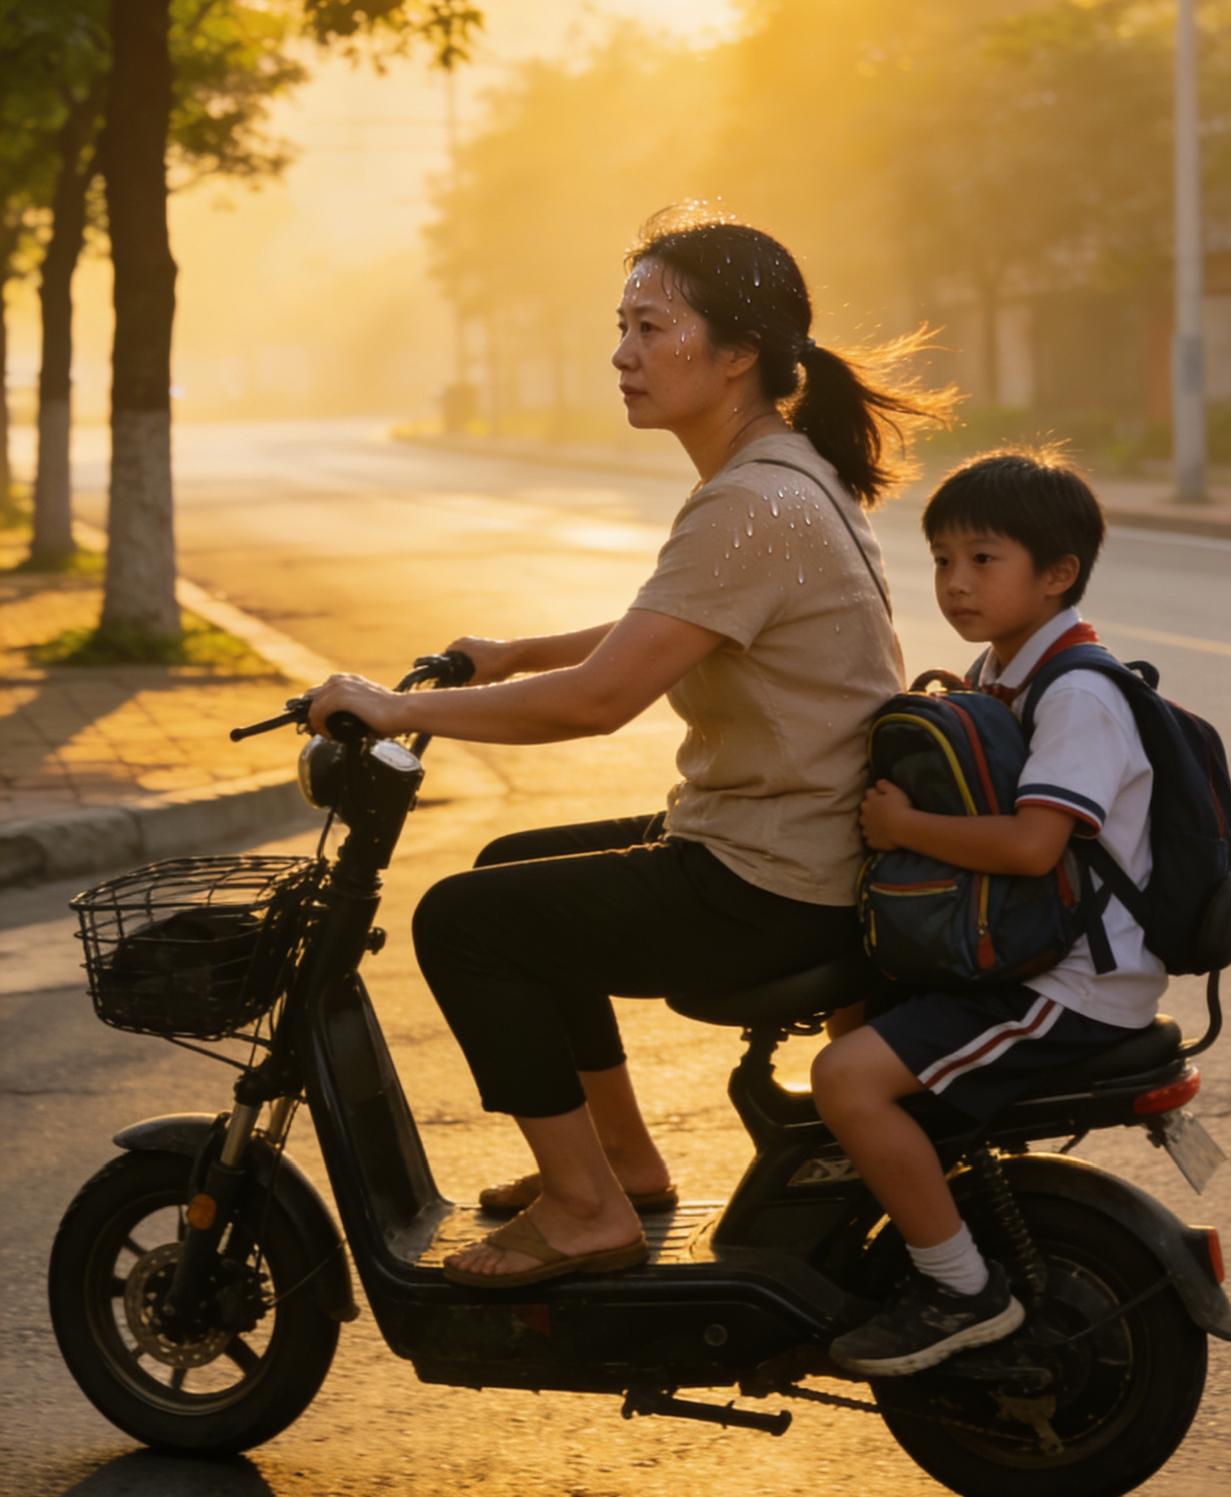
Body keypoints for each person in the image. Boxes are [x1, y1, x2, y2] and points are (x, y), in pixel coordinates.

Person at [305, 206, 947, 1288]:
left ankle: (584, 1210)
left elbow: (601, 700)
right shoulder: (777, 475)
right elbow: (679, 621)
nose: (622, 354)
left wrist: (395, 710)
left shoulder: (752, 502)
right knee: (511, 866)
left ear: (737, 354)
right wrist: (515, 654)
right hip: (794, 843)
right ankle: (622, 1163)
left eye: (651, 328)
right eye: (623, 326)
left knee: (464, 922)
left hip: (775, 879)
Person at [811, 450, 1168, 1376]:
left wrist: (902, 827)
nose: (956, 582)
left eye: (982, 559)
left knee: (845, 1078)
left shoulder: (1078, 693)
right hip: (1030, 948)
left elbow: (1032, 846)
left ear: (1058, 574)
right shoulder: (1000, 668)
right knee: (847, 991)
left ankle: (961, 1288)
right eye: (941, 559)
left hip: (1071, 984)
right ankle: (896, 1207)